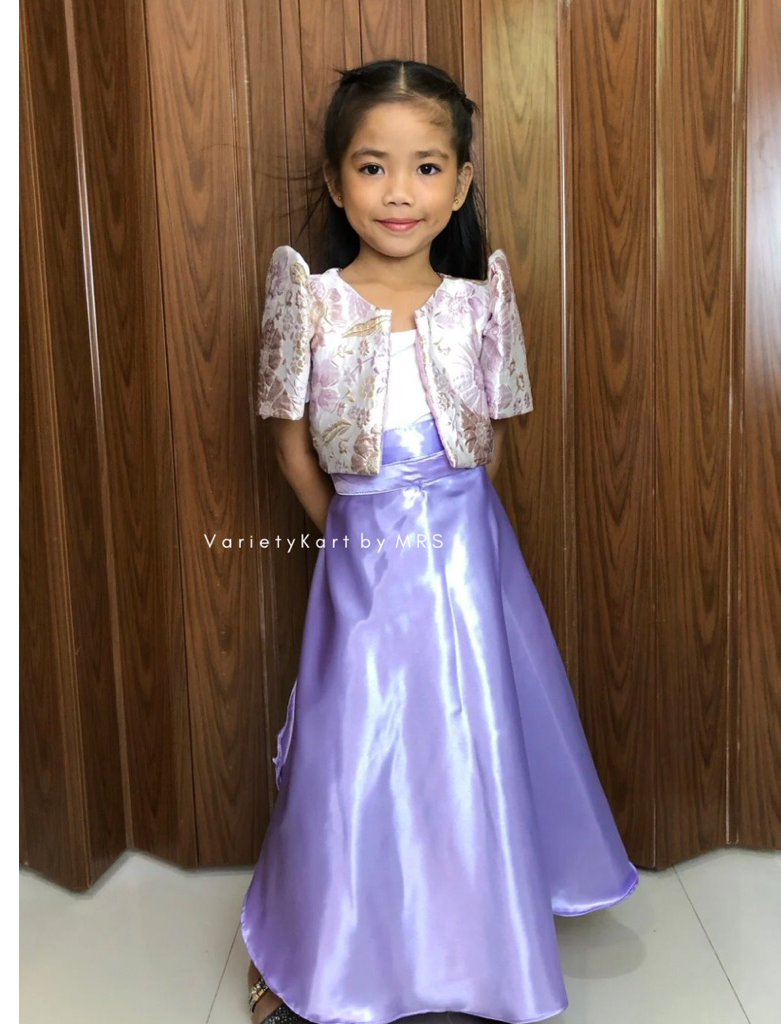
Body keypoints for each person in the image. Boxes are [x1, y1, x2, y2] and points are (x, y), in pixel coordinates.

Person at [242, 58, 638, 1024]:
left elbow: (493, 441)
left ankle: (479, 937)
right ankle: (323, 949)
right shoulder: (310, 299)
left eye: (426, 167)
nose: (399, 192)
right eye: (372, 166)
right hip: (364, 550)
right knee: (352, 742)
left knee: (471, 732)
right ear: (336, 180)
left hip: (468, 553)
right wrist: (354, 536)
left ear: (460, 183)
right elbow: (290, 445)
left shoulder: (480, 300)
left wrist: (454, 527)